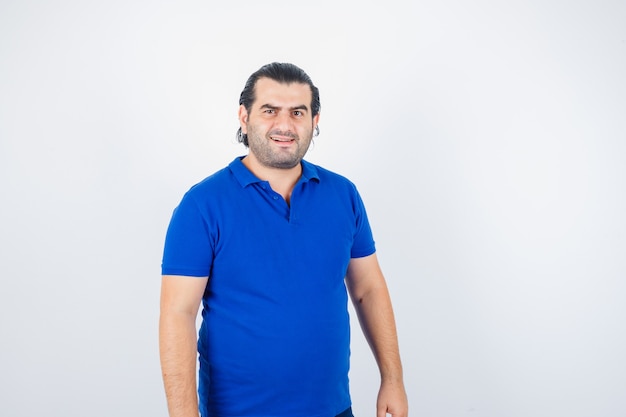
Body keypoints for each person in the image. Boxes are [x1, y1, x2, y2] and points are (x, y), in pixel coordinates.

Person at [159, 62, 408, 417]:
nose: (284, 125)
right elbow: (177, 315)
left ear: (314, 121)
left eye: (297, 112)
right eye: (270, 110)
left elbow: (369, 289)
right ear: (244, 117)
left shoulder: (343, 195)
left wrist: (393, 379)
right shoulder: (202, 205)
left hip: (334, 410)